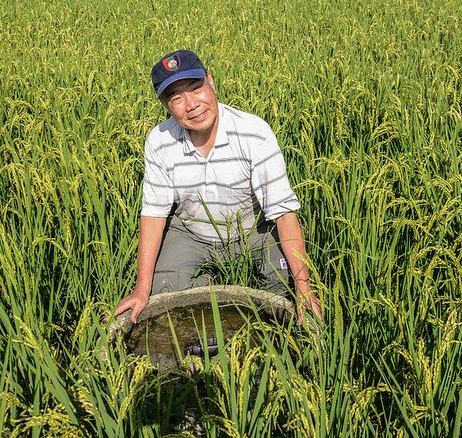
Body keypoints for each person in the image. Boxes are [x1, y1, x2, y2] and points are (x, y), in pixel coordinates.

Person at [114, 50, 322, 325]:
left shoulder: (254, 132)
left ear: (211, 82)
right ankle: (208, 292)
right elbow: (154, 215)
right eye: (177, 98)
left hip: (252, 230)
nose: (192, 105)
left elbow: (283, 212)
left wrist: (304, 287)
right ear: (166, 106)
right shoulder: (159, 142)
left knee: (284, 290)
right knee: (162, 293)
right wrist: (142, 288)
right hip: (192, 232)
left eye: (196, 88)